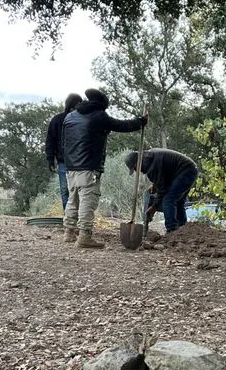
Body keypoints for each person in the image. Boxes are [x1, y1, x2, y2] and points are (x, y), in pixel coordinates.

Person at [62, 88, 148, 249]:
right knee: (88, 200)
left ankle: (68, 232)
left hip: (71, 166)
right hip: (89, 166)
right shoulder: (98, 115)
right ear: (102, 104)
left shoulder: (70, 116)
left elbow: (64, 142)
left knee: (72, 199)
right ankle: (84, 236)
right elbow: (121, 125)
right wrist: (140, 122)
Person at [124, 147, 198, 234]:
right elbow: (164, 174)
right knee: (178, 202)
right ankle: (182, 229)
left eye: (135, 168)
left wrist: (154, 207)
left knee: (168, 199)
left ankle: (172, 230)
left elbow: (163, 190)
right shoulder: (150, 157)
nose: (136, 171)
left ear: (138, 162)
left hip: (185, 171)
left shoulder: (152, 166)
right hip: (189, 169)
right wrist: (155, 184)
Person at [45, 93, 83, 209]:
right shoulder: (58, 120)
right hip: (74, 161)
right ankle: (70, 216)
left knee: (67, 190)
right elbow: (50, 140)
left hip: (71, 161)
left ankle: (71, 217)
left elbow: (50, 141)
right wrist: (50, 159)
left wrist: (51, 159)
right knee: (71, 190)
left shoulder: (59, 119)